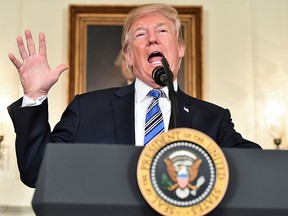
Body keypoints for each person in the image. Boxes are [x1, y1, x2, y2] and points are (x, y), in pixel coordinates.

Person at [7, 3, 261, 188]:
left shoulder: (213, 119)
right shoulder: (89, 108)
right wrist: (34, 96)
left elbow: (256, 166)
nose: (152, 39)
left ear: (180, 48)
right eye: (141, 34)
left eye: (162, 31)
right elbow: (36, 171)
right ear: (128, 56)